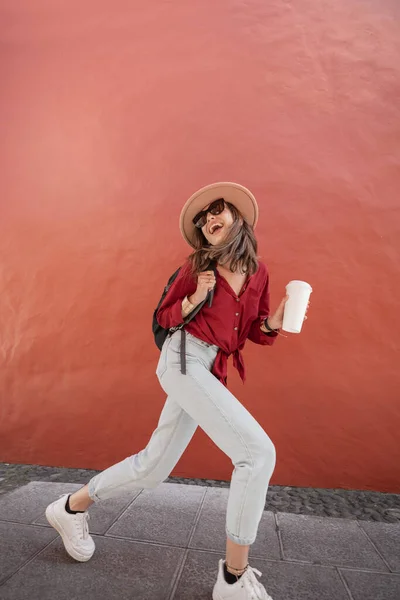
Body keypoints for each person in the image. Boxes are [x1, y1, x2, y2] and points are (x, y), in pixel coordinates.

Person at [45, 182, 309, 600]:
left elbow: (254, 329)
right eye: (203, 219)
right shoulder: (196, 268)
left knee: (153, 467)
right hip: (182, 358)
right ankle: (233, 578)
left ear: (238, 218)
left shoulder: (258, 272)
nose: (208, 221)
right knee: (256, 454)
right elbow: (165, 317)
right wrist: (197, 297)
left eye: (216, 211)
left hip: (210, 368)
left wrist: (274, 321)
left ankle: (69, 508)